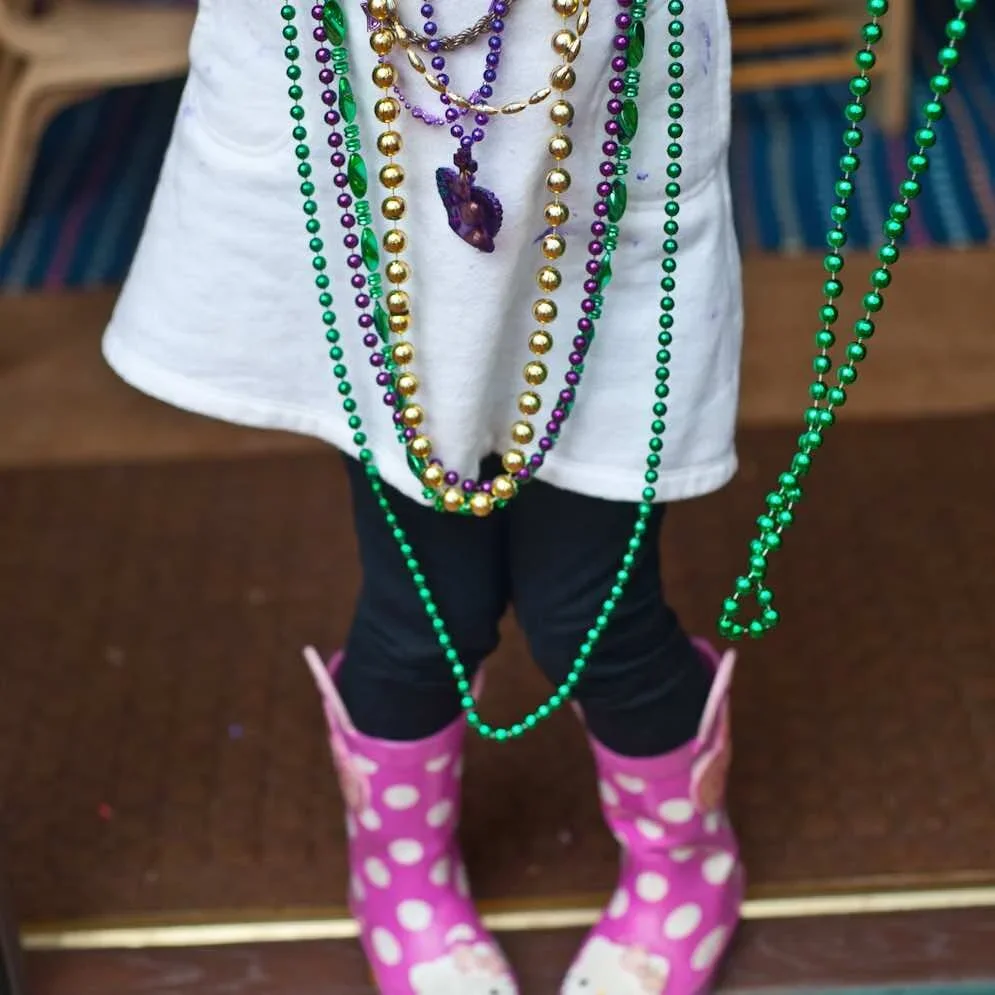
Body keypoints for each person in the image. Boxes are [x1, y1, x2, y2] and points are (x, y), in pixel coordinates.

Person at [102, 0, 744, 991]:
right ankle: (401, 878)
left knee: (592, 616)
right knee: (422, 617)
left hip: (601, 140)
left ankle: (682, 860)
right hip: (383, 132)